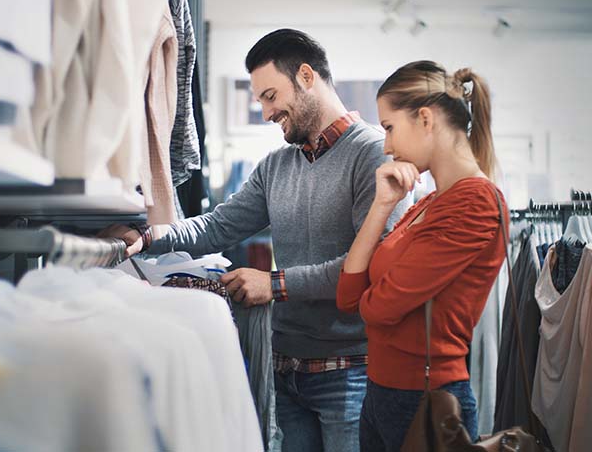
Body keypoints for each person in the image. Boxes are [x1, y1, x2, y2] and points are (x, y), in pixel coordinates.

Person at [101, 29, 408, 451]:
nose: (265, 113)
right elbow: (217, 227)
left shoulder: (373, 154)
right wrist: (148, 235)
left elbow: (370, 267)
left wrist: (274, 284)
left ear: (306, 76)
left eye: (270, 96)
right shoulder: (276, 166)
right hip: (286, 369)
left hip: (350, 371)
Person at [335, 60, 508, 452]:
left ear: (425, 119)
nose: (386, 146)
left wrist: (373, 298)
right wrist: (382, 205)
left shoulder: (476, 203)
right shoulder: (430, 202)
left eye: (389, 127)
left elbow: (377, 309)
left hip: (426, 400)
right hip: (383, 393)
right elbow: (348, 297)